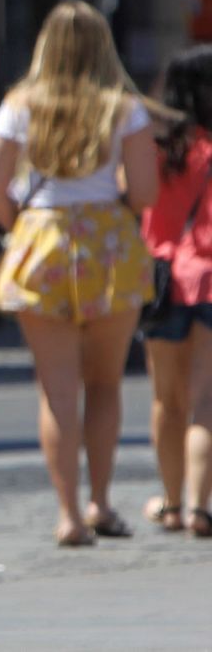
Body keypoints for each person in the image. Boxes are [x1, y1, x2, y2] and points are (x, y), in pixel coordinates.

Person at [0, 0, 156, 547]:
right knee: (104, 383)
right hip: (108, 246)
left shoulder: (20, 104)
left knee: (57, 392)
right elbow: (145, 191)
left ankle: (69, 514)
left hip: (42, 237)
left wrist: (22, 225)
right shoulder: (123, 108)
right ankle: (102, 500)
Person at [138, 45, 212, 538]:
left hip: (161, 278)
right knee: (206, 400)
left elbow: (132, 197)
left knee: (167, 400)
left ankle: (168, 501)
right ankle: (200, 509)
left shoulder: (157, 147)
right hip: (210, 276)